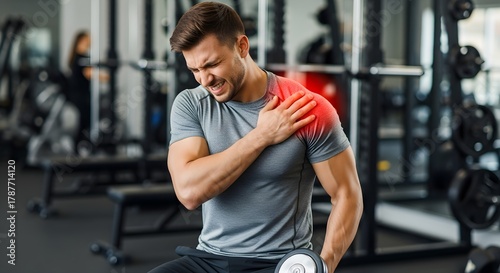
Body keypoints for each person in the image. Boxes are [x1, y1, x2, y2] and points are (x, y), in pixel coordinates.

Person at [149, 2, 363, 273]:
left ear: (242, 46)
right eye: (194, 70)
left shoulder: (306, 108)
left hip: (277, 263)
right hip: (208, 259)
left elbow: (347, 193)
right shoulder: (192, 104)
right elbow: (190, 193)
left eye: (212, 64)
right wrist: (261, 136)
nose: (204, 79)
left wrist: (324, 265)